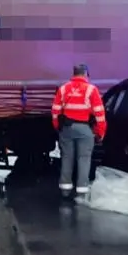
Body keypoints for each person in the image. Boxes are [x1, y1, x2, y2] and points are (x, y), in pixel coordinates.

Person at [52, 63, 107, 203]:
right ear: (86, 74)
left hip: (67, 128)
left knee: (67, 158)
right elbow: (100, 114)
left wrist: (58, 127)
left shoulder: (63, 89)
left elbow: (55, 111)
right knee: (83, 159)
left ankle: (65, 190)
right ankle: (81, 192)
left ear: (74, 74)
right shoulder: (91, 89)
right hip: (84, 129)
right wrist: (100, 132)